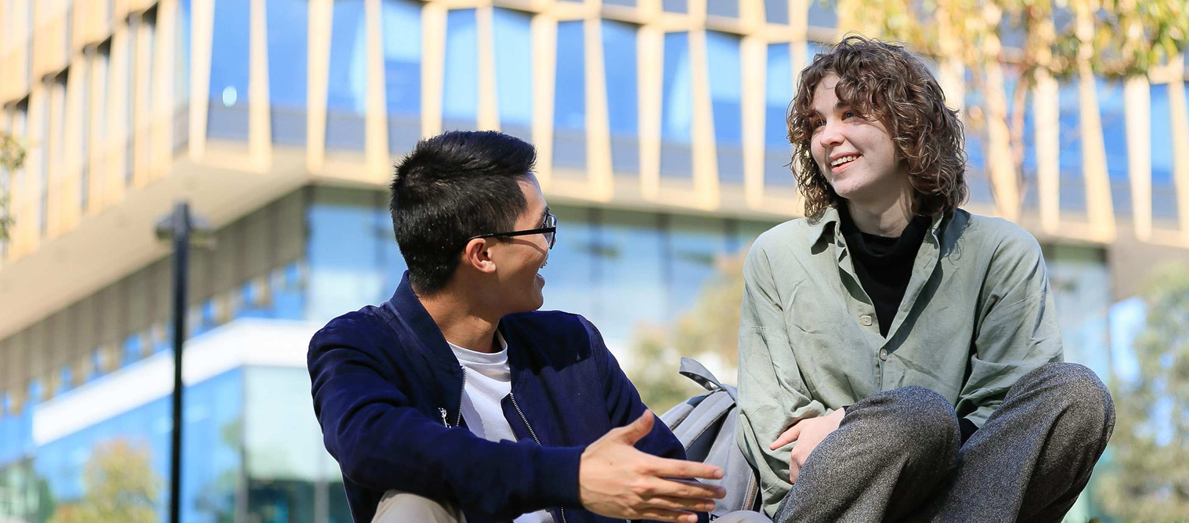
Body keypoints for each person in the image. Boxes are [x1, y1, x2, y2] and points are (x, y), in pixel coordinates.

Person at [736, 36, 1116, 523]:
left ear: (910, 126)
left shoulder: (1002, 252)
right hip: (831, 506)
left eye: (851, 114)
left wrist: (858, 426)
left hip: (967, 502)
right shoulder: (776, 256)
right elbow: (777, 434)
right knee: (921, 417)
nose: (827, 137)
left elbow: (1008, 427)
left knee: (1078, 395)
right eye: (816, 123)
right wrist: (883, 435)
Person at [308, 131, 764, 523]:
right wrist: (574, 478)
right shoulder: (356, 346)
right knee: (413, 504)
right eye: (541, 227)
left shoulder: (573, 347)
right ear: (482, 255)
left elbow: (671, 482)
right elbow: (377, 444)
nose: (548, 245)